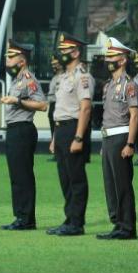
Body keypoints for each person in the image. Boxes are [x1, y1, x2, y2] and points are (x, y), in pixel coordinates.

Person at [48, 33, 95, 236]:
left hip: (74, 128)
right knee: (64, 178)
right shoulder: (64, 77)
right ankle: (69, 218)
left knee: (76, 178)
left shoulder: (82, 77)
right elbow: (60, 108)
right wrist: (54, 138)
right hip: (61, 129)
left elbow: (85, 109)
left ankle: (77, 223)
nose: (62, 55)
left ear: (75, 52)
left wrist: (78, 137)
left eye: (65, 51)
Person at [0, 41, 47, 231]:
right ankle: (19, 216)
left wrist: (17, 100)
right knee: (16, 176)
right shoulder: (16, 80)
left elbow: (42, 105)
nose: (8, 62)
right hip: (13, 130)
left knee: (23, 175)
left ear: (22, 61)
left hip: (23, 130)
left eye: (11, 58)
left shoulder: (28, 79)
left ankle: (27, 219)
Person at [97, 38, 138, 240]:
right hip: (108, 138)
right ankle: (117, 223)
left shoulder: (128, 84)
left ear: (122, 60)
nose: (108, 60)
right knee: (110, 184)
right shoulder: (109, 85)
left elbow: (134, 115)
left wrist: (130, 143)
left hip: (121, 137)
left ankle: (127, 227)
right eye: (107, 56)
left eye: (112, 56)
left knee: (122, 185)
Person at [47, 55, 62, 148]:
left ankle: (58, 150)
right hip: (52, 106)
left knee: (58, 129)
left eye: (56, 64)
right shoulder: (54, 77)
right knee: (53, 130)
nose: (54, 66)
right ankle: (55, 150)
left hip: (58, 105)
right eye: (52, 64)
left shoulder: (63, 77)